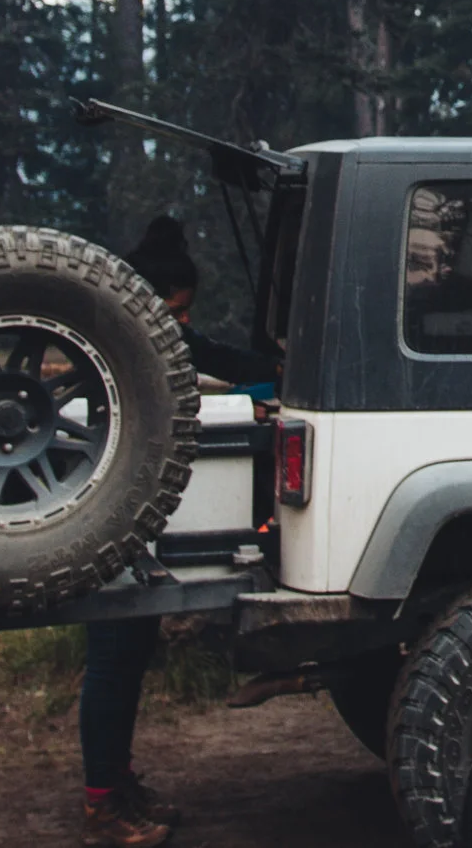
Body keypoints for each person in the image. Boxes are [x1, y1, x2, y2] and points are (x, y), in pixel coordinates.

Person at [77, 216, 276, 846]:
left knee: (130, 654)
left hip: (129, 519)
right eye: (178, 308)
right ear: (150, 300)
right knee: (111, 660)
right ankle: (101, 802)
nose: (183, 322)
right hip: (103, 519)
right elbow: (219, 361)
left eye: (188, 310)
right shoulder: (122, 341)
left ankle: (118, 780)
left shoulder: (143, 336)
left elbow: (221, 358)